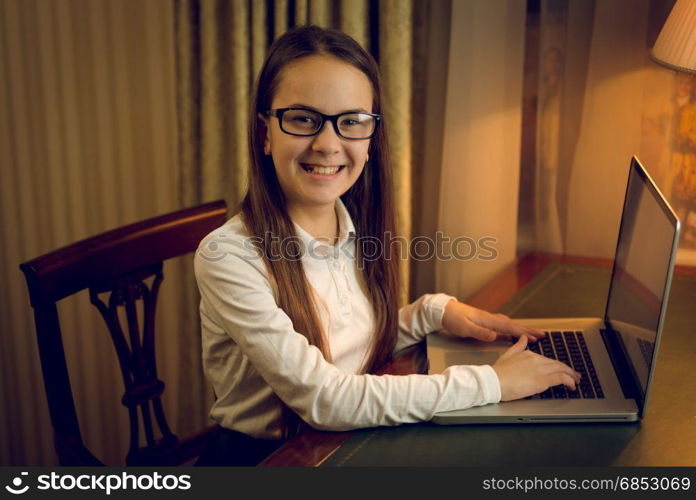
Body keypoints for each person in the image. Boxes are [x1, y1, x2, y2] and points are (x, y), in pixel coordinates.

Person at [193, 25, 580, 466]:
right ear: (266, 133)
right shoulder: (228, 257)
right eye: (303, 119)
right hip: (271, 460)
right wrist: (492, 383)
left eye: (351, 122)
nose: (327, 143)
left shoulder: (353, 225)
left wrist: (433, 312)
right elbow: (325, 398)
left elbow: (349, 348)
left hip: (343, 444)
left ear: (372, 137)